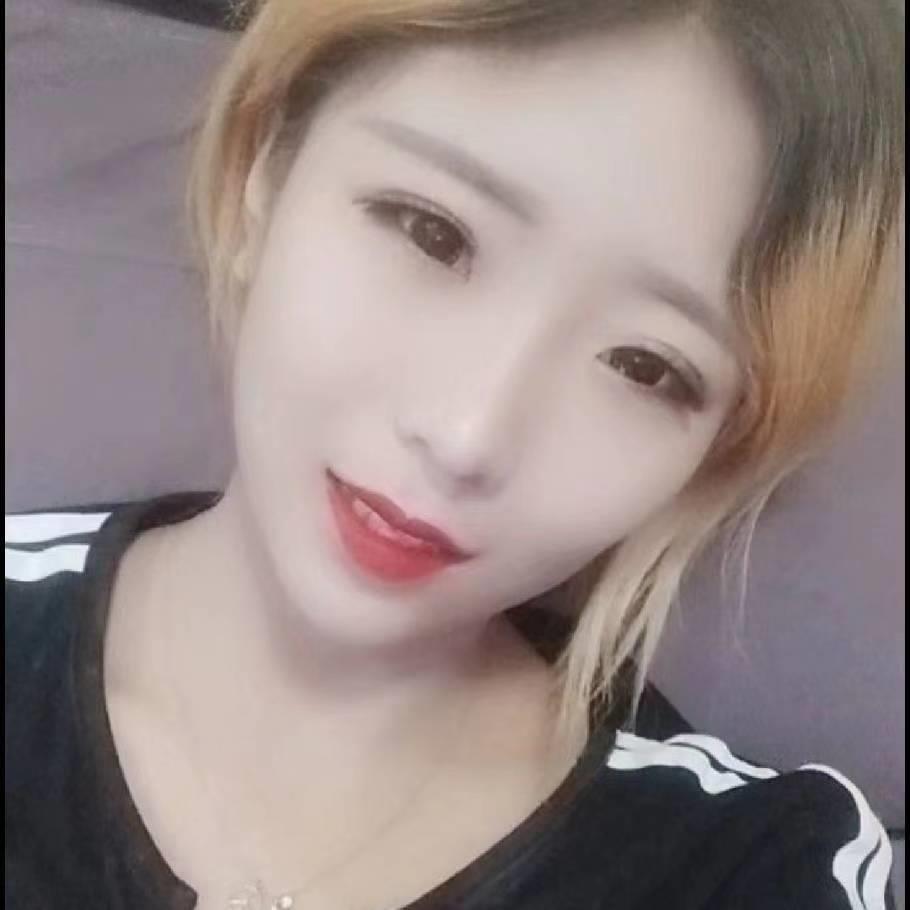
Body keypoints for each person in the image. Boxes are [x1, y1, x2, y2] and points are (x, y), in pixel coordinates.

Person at [5, 0, 904, 908]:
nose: (467, 435)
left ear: (716, 451)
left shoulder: (754, 865)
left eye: (644, 367)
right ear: (261, 174)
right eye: (432, 233)